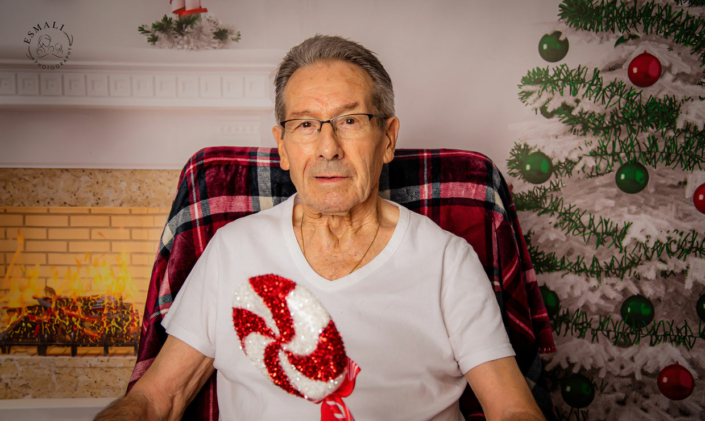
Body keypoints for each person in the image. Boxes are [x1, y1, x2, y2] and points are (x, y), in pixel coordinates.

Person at [95, 35, 545, 421]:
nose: (328, 147)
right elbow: (159, 398)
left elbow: (511, 409)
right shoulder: (232, 250)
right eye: (306, 124)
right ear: (284, 147)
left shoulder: (446, 260)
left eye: (350, 121)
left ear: (388, 139)